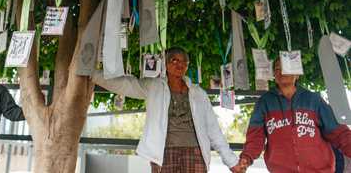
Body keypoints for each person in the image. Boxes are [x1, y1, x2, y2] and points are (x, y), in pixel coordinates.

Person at [90, 47, 244, 172]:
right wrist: (92, 74)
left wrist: (231, 161)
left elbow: (213, 130)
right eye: (174, 60)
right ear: (166, 64)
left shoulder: (198, 93)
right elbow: (126, 84)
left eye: (184, 61)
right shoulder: (154, 86)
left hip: (195, 153)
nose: (180, 64)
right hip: (163, 153)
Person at [239, 58, 351, 172]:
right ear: (274, 75)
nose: (281, 71)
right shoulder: (264, 102)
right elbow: (255, 137)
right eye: (277, 68)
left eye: (286, 68)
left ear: (297, 74)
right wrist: (246, 158)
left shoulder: (313, 100)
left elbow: (339, 132)